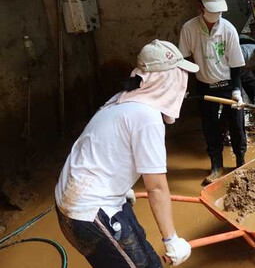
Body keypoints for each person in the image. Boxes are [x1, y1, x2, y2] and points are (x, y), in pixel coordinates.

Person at [55, 40, 199, 267]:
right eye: (179, 76)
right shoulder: (147, 116)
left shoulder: (123, 99)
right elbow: (157, 187)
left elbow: (103, 147)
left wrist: (120, 188)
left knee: (148, 257)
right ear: (166, 80)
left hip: (79, 198)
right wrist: (172, 239)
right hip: (88, 211)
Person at [178, 0, 246, 185]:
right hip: (204, 86)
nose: (216, 14)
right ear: (200, 6)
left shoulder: (228, 30)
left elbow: (235, 64)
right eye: (211, 10)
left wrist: (236, 90)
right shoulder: (189, 29)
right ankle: (216, 165)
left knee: (237, 124)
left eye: (219, 11)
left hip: (227, 85)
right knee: (210, 128)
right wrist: (182, 87)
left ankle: (241, 163)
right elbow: (182, 61)